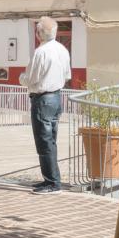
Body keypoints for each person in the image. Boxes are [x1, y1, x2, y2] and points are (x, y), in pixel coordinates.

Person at [24, 16, 70, 192]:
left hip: (43, 99)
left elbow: (31, 78)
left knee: (44, 141)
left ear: (39, 33)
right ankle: (50, 179)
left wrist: (21, 78)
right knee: (51, 141)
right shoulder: (62, 49)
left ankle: (52, 182)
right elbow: (67, 75)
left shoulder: (41, 52)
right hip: (56, 97)